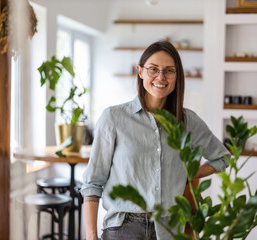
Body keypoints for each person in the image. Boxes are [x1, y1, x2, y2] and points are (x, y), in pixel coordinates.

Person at [80, 41, 230, 240]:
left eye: (169, 70)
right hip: (123, 228)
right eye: (154, 69)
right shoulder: (114, 118)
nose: (161, 77)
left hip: (169, 230)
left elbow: (223, 158)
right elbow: (93, 183)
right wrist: (91, 237)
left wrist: (190, 173)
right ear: (140, 71)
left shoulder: (188, 121)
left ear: (177, 76)